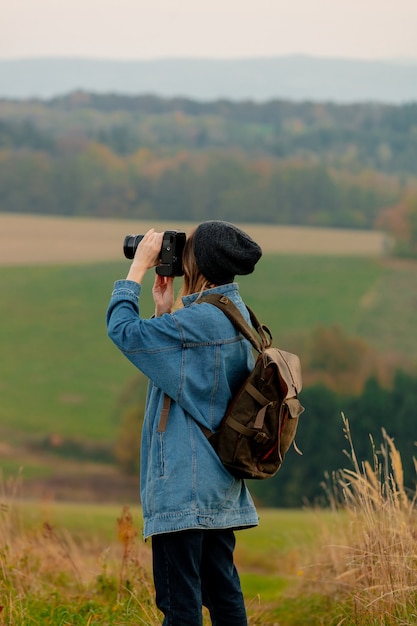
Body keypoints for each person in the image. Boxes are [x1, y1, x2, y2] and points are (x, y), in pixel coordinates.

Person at [106, 220, 262, 626]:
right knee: (224, 594)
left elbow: (122, 331)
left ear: (199, 262)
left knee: (180, 605)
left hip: (183, 484)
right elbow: (191, 376)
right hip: (218, 486)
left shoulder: (201, 322)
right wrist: (163, 311)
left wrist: (136, 271)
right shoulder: (235, 314)